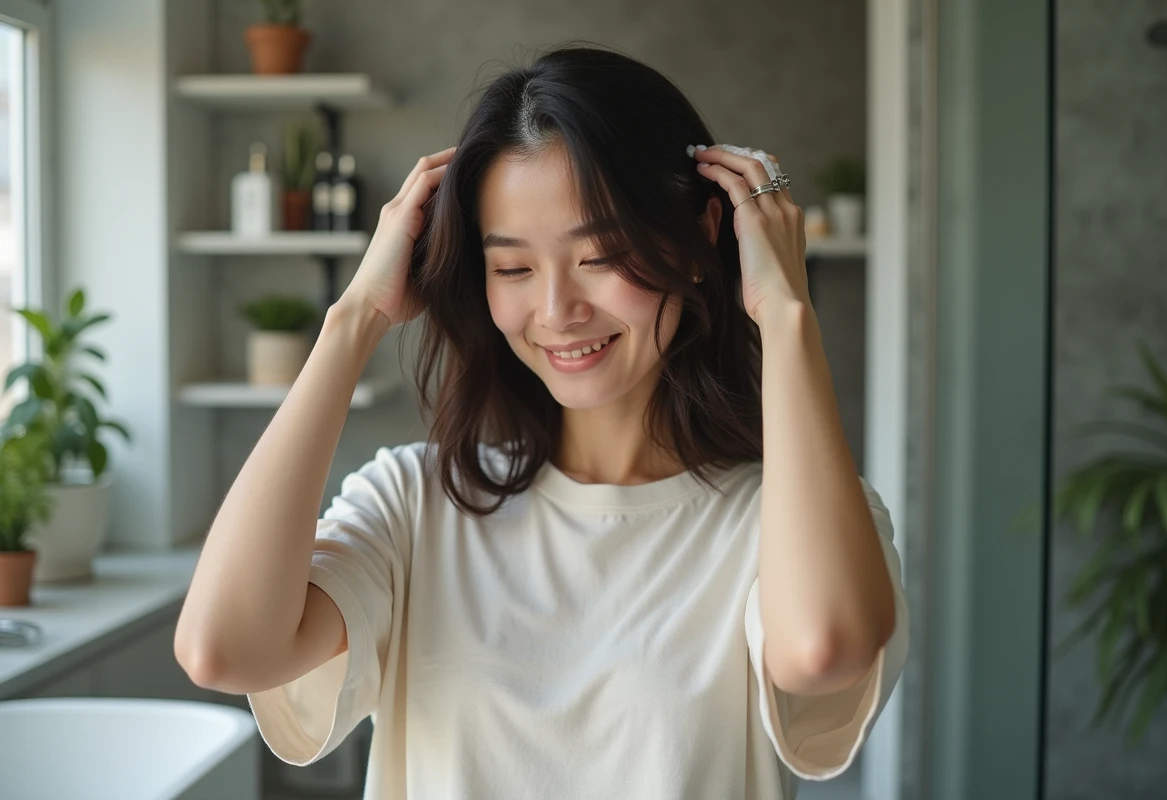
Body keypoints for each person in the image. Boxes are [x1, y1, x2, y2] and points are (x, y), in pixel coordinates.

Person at [174, 43, 909, 800]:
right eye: (514, 268)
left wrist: (786, 313)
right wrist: (353, 319)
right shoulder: (413, 503)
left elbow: (823, 648)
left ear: (698, 243)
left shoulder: (785, 523)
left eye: (601, 255)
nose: (557, 312)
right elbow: (222, 647)